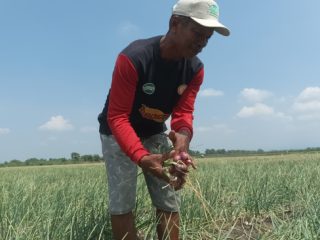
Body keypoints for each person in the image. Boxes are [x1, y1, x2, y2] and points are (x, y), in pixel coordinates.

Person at [98, 0, 230, 239]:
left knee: (169, 197)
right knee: (122, 201)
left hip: (153, 130)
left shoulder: (195, 69)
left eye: (208, 37)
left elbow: (183, 114)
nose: (202, 43)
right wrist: (141, 156)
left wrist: (182, 144)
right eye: (198, 33)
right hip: (116, 130)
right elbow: (117, 116)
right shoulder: (134, 58)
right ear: (174, 23)